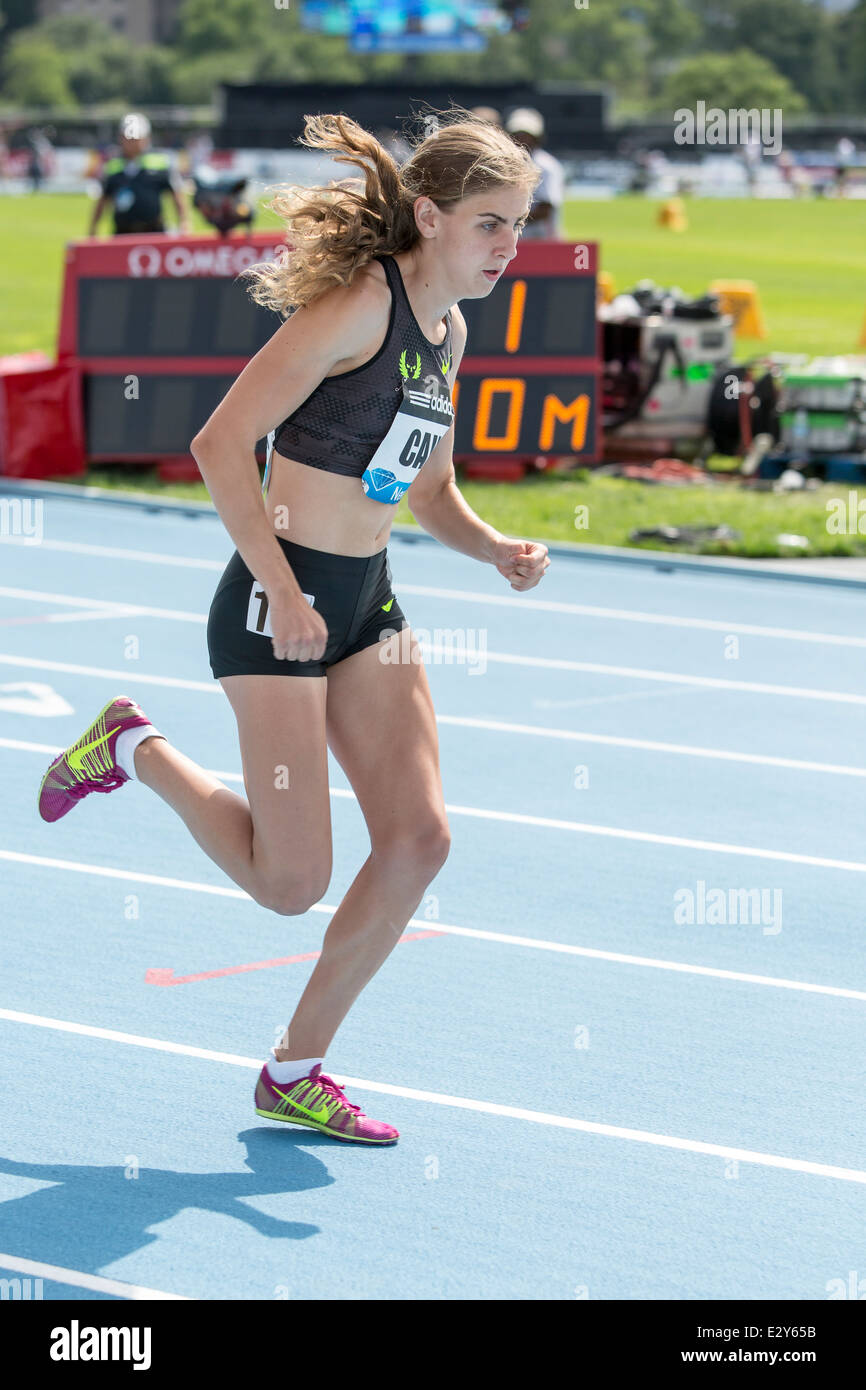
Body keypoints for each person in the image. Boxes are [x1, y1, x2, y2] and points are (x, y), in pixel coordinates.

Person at [37, 110, 550, 1146]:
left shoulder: (448, 331)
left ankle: (295, 1068)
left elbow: (431, 490)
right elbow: (220, 442)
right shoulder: (360, 304)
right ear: (428, 215)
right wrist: (283, 584)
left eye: (519, 225)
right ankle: (129, 744)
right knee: (289, 883)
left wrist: (492, 545)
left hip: (367, 601)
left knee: (418, 839)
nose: (508, 247)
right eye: (490, 224)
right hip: (279, 605)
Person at [88, 113, 189, 237]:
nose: (132, 142)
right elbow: (104, 200)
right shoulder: (112, 165)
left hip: (154, 232)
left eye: (136, 138)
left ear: (146, 138)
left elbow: (176, 195)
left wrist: (184, 222)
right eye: (128, 138)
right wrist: (93, 228)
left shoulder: (160, 162)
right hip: (122, 233)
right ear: (121, 138)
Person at [504, 107, 564, 239]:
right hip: (515, 239)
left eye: (527, 134)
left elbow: (545, 209)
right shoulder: (505, 162)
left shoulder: (546, 166)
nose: (521, 139)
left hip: (540, 239)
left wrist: (508, 221)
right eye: (517, 133)